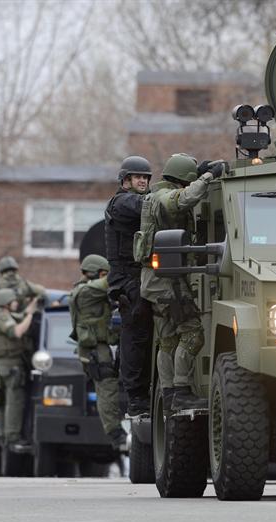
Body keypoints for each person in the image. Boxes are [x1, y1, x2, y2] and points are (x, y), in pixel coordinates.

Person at [137, 153, 225, 413]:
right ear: (183, 180)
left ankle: (169, 395)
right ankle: (181, 391)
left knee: (167, 339)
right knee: (193, 332)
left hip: (156, 279)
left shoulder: (151, 196)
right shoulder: (163, 197)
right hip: (166, 281)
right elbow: (182, 200)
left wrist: (202, 172)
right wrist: (209, 177)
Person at [104, 156, 154, 417]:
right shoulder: (122, 202)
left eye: (146, 178)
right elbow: (148, 205)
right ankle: (135, 401)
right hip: (127, 280)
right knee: (135, 337)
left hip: (141, 277)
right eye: (138, 177)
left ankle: (145, 396)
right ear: (125, 181)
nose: (143, 181)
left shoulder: (140, 199)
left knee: (147, 337)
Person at [69, 254, 125, 449]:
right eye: (102, 274)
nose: (105, 277)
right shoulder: (85, 292)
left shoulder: (82, 289)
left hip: (95, 348)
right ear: (93, 273)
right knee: (107, 388)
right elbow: (109, 282)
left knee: (106, 388)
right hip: (95, 350)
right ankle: (116, 433)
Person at [0, 288, 38, 451]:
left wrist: (28, 309)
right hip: (11, 366)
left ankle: (5, 437)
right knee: (14, 401)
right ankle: (12, 437)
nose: (16, 303)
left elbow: (17, 319)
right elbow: (17, 331)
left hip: (1, 366)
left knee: (2, 403)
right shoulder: (2, 317)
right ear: (6, 304)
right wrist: (30, 315)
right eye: (13, 301)